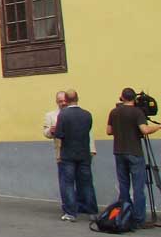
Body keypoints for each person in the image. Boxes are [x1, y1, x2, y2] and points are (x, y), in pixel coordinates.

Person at [107, 88, 160, 228]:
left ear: (122, 97)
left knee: (124, 186)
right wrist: (159, 127)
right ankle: (139, 219)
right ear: (134, 99)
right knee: (138, 187)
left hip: (118, 152)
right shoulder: (138, 112)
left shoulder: (114, 112)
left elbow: (109, 131)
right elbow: (145, 130)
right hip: (135, 152)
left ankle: (125, 215)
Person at [51, 89, 98, 221]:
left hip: (68, 154)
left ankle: (71, 212)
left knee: (68, 183)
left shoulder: (63, 115)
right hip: (84, 153)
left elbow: (59, 134)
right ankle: (92, 211)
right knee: (87, 183)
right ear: (78, 98)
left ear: (66, 99)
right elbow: (88, 131)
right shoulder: (87, 114)